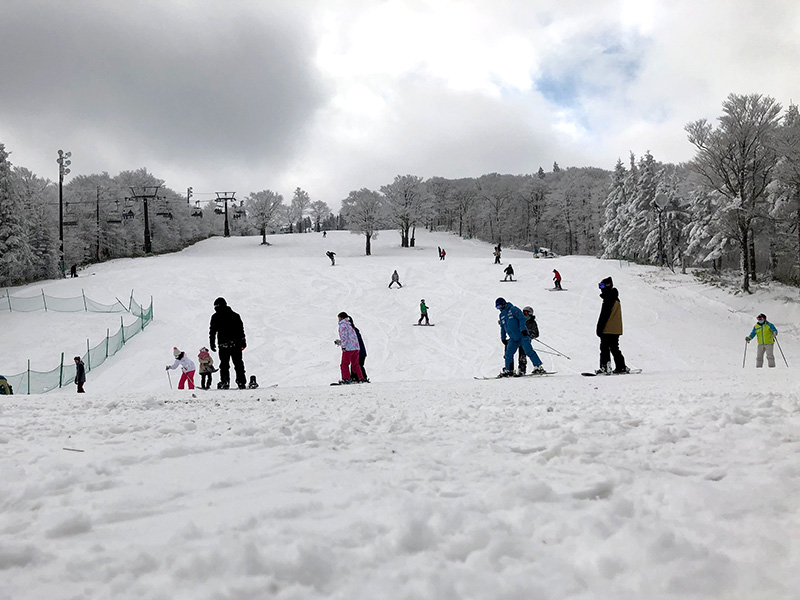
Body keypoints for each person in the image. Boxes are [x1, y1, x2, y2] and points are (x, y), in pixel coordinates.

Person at [495, 297, 544, 377]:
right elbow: (502, 327)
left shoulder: (513, 309)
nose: (499, 309)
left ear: (504, 304)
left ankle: (538, 367)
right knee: (508, 354)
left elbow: (521, 318)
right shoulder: (502, 315)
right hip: (513, 338)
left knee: (528, 351)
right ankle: (509, 370)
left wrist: (523, 329)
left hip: (522, 336)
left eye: (499, 306)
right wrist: (503, 337)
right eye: (497, 307)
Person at [209, 297, 247, 389]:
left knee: (224, 365)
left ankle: (225, 382)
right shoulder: (235, 315)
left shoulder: (215, 317)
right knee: (238, 364)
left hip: (223, 345)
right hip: (236, 344)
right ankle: (241, 382)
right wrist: (243, 342)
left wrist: (212, 343)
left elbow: (212, 331)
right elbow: (240, 330)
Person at [596, 277, 629, 374]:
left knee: (604, 348)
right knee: (614, 348)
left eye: (601, 286)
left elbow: (604, 315)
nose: (600, 288)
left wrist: (599, 328)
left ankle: (605, 367)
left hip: (608, 328)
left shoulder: (608, 298)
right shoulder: (615, 297)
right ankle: (621, 366)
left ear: (607, 285)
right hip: (615, 329)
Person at [334, 311, 364, 384]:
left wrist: (343, 347)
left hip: (348, 348)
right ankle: (361, 378)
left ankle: (346, 379)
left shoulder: (342, 325)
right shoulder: (350, 324)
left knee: (344, 364)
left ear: (341, 318)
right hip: (356, 348)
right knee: (355, 364)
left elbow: (344, 337)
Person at [516, 306, 540, 375]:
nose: (524, 315)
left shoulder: (532, 322)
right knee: (519, 352)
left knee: (524, 352)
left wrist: (529, 335)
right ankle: (520, 369)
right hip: (520, 339)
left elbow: (536, 333)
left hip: (526, 340)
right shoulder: (520, 320)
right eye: (523, 313)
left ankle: (535, 367)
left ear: (530, 314)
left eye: (526, 313)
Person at [348, 316, 369, 382]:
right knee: (356, 365)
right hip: (358, 351)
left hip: (359, 352)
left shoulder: (353, 330)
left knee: (357, 365)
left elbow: (353, 340)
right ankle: (357, 378)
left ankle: (361, 378)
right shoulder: (353, 330)